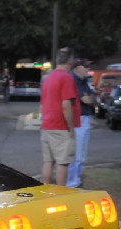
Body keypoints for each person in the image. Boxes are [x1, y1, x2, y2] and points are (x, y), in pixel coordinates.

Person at [40, 47, 80, 186]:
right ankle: (60, 193)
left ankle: (46, 190)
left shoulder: (48, 78)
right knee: (63, 162)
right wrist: (71, 128)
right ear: (70, 61)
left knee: (48, 161)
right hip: (60, 126)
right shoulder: (66, 78)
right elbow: (66, 105)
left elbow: (43, 103)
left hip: (47, 125)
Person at [67, 59, 95, 188]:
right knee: (77, 153)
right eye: (85, 67)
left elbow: (92, 98)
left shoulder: (83, 81)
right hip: (79, 119)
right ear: (77, 68)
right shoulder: (74, 81)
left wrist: (91, 98)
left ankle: (75, 179)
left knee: (81, 153)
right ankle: (72, 182)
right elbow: (86, 99)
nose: (87, 69)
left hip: (85, 118)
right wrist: (90, 98)